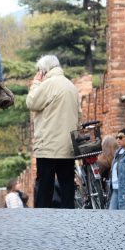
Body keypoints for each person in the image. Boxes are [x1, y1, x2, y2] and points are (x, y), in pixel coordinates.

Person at [26, 55, 82, 208]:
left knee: (45, 187)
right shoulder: (71, 86)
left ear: (43, 70)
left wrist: (36, 82)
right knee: (67, 186)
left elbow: (31, 102)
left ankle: (43, 223)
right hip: (68, 146)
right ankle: (68, 220)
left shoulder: (48, 84)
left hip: (48, 146)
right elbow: (79, 115)